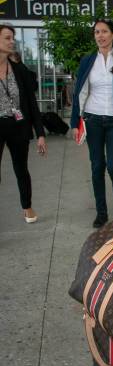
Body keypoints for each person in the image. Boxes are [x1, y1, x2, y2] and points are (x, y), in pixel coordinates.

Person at [71, 19, 113, 228]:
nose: (100, 36)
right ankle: (101, 211)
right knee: (97, 166)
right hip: (92, 119)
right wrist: (75, 122)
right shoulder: (88, 60)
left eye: (104, 32)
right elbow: (78, 92)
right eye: (96, 32)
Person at [0, 24, 47, 223]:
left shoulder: (19, 69)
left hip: (18, 125)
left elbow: (31, 101)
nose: (12, 41)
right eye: (7, 38)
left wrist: (40, 133)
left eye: (13, 38)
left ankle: (27, 206)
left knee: (21, 168)